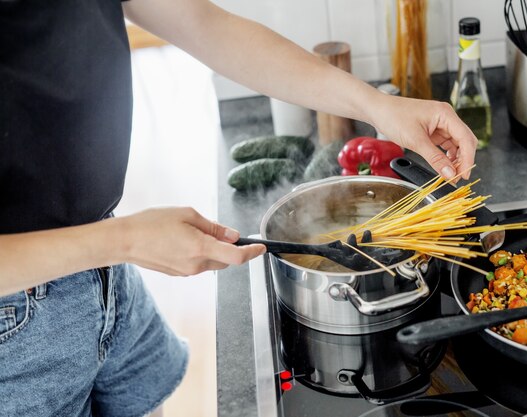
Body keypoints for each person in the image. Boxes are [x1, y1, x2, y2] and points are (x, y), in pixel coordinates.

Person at [0, 0, 478, 416]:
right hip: (16, 334)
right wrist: (124, 240)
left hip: (103, 271)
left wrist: (378, 107)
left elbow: (207, 25)